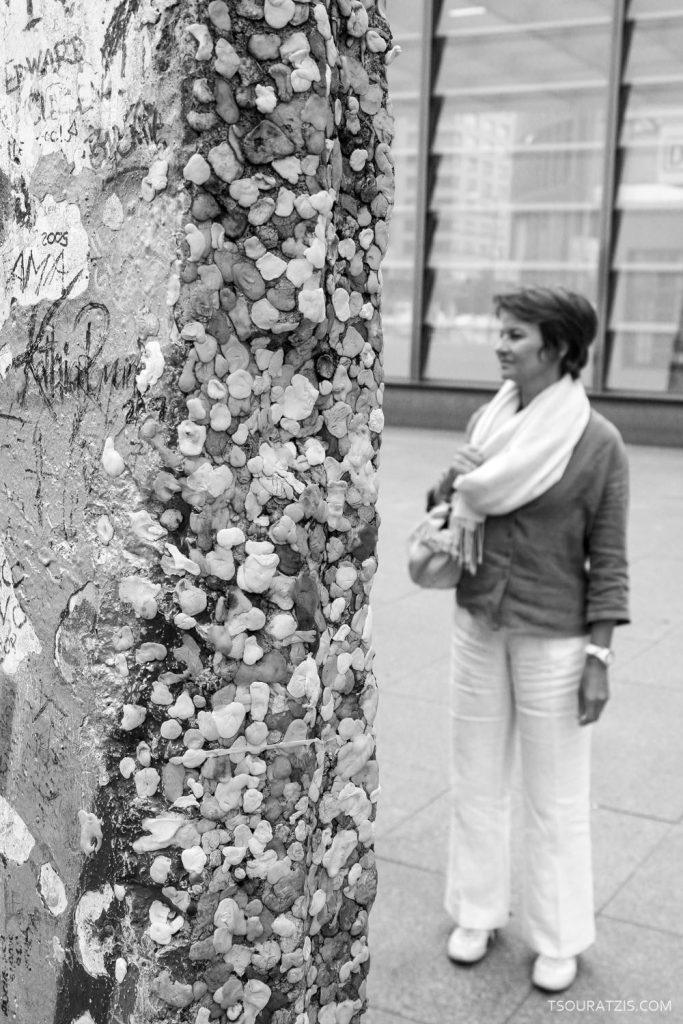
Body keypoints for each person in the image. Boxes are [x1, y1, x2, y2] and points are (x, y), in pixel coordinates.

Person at [427, 286, 630, 993]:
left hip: (556, 636)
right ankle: (476, 911)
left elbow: (607, 559)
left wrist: (598, 657)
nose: (499, 345)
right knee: (474, 779)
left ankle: (558, 935)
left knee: (556, 796)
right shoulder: (488, 420)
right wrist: (456, 478)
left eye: (514, 335)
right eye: (500, 332)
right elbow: (444, 502)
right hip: (477, 618)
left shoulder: (596, 442)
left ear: (557, 348)